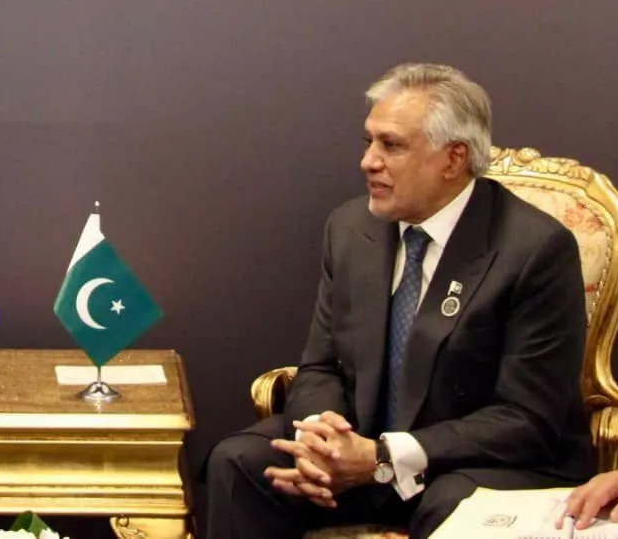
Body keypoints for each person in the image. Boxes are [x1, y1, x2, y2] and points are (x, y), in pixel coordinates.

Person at [203, 62, 593, 539]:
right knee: (240, 462)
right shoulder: (351, 229)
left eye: (391, 145)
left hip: (473, 462)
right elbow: (321, 366)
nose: (368, 161)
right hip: (362, 445)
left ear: (453, 159)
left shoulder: (534, 249)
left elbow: (527, 419)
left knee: (450, 503)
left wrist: (385, 457)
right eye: (368, 141)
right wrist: (321, 439)